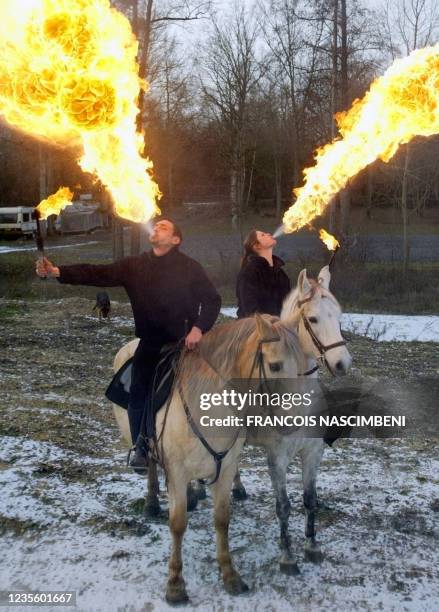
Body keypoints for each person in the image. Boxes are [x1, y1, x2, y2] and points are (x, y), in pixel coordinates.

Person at [36, 218, 221, 471]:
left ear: (176, 239)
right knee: (139, 390)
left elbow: (212, 300)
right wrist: (58, 272)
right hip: (151, 345)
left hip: (185, 344)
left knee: (213, 389)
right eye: (156, 226)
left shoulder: (190, 267)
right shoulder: (135, 266)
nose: (156, 228)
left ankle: (218, 444)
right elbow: (97, 273)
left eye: (164, 227)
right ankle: (141, 446)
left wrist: (198, 329)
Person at [236, 229, 290, 318]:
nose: (268, 233)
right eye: (263, 235)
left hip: (279, 328)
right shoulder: (249, 272)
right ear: (257, 246)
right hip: (253, 328)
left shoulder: (281, 274)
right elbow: (250, 309)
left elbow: (287, 303)